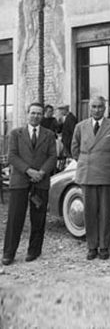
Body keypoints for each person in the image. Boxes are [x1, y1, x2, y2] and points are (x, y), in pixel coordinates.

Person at [71, 96, 110, 260]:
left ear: (105, 108)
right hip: (87, 175)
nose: (97, 110)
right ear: (90, 108)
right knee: (89, 213)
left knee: (105, 212)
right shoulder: (80, 126)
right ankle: (91, 247)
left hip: (106, 175)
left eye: (100, 107)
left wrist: (109, 164)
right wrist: (87, 162)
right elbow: (74, 149)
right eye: (94, 107)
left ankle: (104, 246)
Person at [2, 102, 57, 265]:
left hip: (40, 182)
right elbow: (11, 156)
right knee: (15, 217)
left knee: (38, 217)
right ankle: (9, 253)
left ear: (42, 116)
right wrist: (28, 170)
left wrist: (41, 172)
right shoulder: (16, 134)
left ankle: (34, 251)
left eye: (39, 113)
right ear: (27, 114)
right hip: (20, 181)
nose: (36, 116)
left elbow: (52, 157)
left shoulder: (48, 135)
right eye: (33, 113)